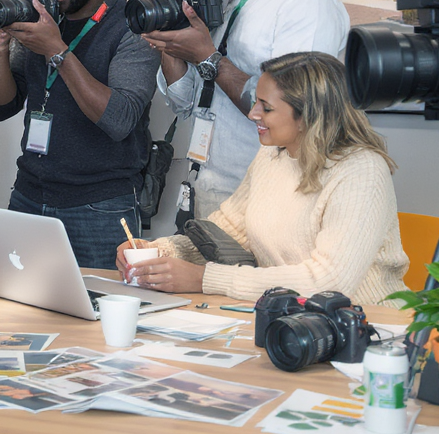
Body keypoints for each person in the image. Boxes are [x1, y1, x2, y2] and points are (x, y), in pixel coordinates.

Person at [116, 52, 408, 306]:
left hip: (368, 325)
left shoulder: (362, 171)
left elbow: (327, 282)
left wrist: (204, 278)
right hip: (288, 317)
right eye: (257, 102)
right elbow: (225, 231)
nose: (254, 114)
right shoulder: (273, 155)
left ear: (308, 116)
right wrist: (159, 252)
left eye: (266, 107)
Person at [143, 0, 348, 223]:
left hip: (268, 205)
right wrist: (170, 42)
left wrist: (209, 58)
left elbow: (300, 116)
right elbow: (184, 103)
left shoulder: (305, 0)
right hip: (202, 189)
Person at [0, 0, 159, 269]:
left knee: (100, 316)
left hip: (100, 206)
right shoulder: (44, 15)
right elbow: (3, 106)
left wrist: (56, 49)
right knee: (20, 309)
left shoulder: (132, 25)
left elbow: (119, 120)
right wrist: (0, 48)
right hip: (30, 194)